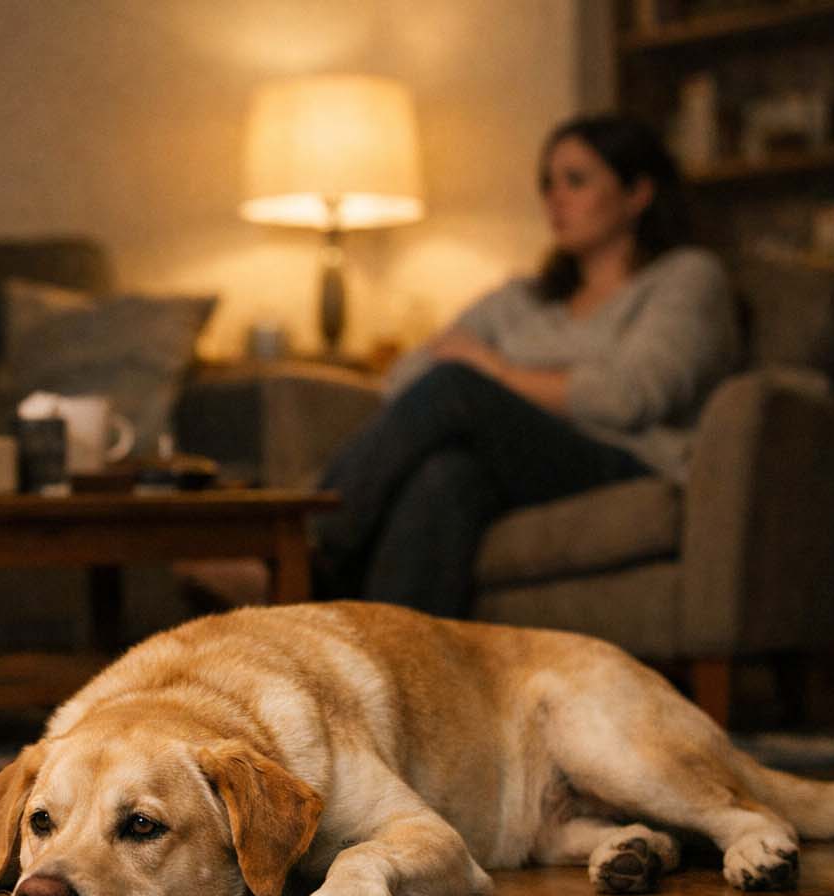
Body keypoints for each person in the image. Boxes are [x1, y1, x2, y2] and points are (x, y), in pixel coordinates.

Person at [313, 112, 739, 616]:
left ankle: (302, 547)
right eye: (548, 183)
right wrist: (520, 387)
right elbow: (403, 378)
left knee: (456, 386)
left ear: (637, 193)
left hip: (623, 460)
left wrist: (495, 372)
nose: (554, 198)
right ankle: (390, 674)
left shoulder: (686, 278)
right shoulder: (523, 299)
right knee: (447, 476)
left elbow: (628, 397)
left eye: (576, 180)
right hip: (520, 467)